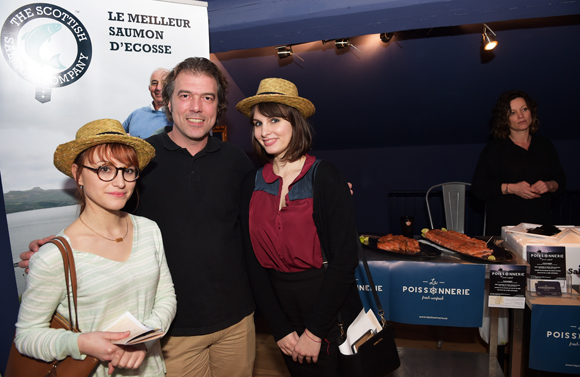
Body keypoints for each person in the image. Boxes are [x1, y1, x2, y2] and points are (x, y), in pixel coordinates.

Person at [20, 58, 257, 377]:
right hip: (170, 331)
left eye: (208, 97)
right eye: (186, 95)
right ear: (168, 103)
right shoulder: (140, 161)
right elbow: (106, 214)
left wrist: (324, 191)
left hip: (237, 322)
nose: (196, 107)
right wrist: (57, 247)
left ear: (218, 105)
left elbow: (259, 223)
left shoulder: (237, 161)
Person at [15, 119, 177, 376]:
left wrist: (142, 342)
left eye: (128, 170)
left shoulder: (149, 230)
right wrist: (79, 343)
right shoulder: (53, 257)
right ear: (78, 174)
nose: (120, 181)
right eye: (104, 169)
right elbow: (26, 336)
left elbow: (166, 297)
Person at [236, 78, 363, 376]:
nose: (264, 131)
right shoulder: (250, 183)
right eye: (257, 123)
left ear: (296, 122)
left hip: (329, 308)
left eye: (274, 120)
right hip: (281, 309)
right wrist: (279, 328)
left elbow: (344, 262)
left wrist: (314, 332)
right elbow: (253, 264)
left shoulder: (325, 176)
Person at [471, 90, 566, 236]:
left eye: (524, 109)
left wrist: (549, 185)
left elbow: (560, 181)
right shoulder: (494, 149)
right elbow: (479, 188)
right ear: (505, 119)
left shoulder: (545, 146)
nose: (521, 116)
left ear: (531, 112)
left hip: (540, 230)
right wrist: (511, 188)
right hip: (504, 231)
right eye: (513, 112)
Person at [123, 68, 172, 138]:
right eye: (154, 83)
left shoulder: (177, 117)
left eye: (164, 83)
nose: (158, 88)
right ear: (149, 88)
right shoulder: (136, 114)